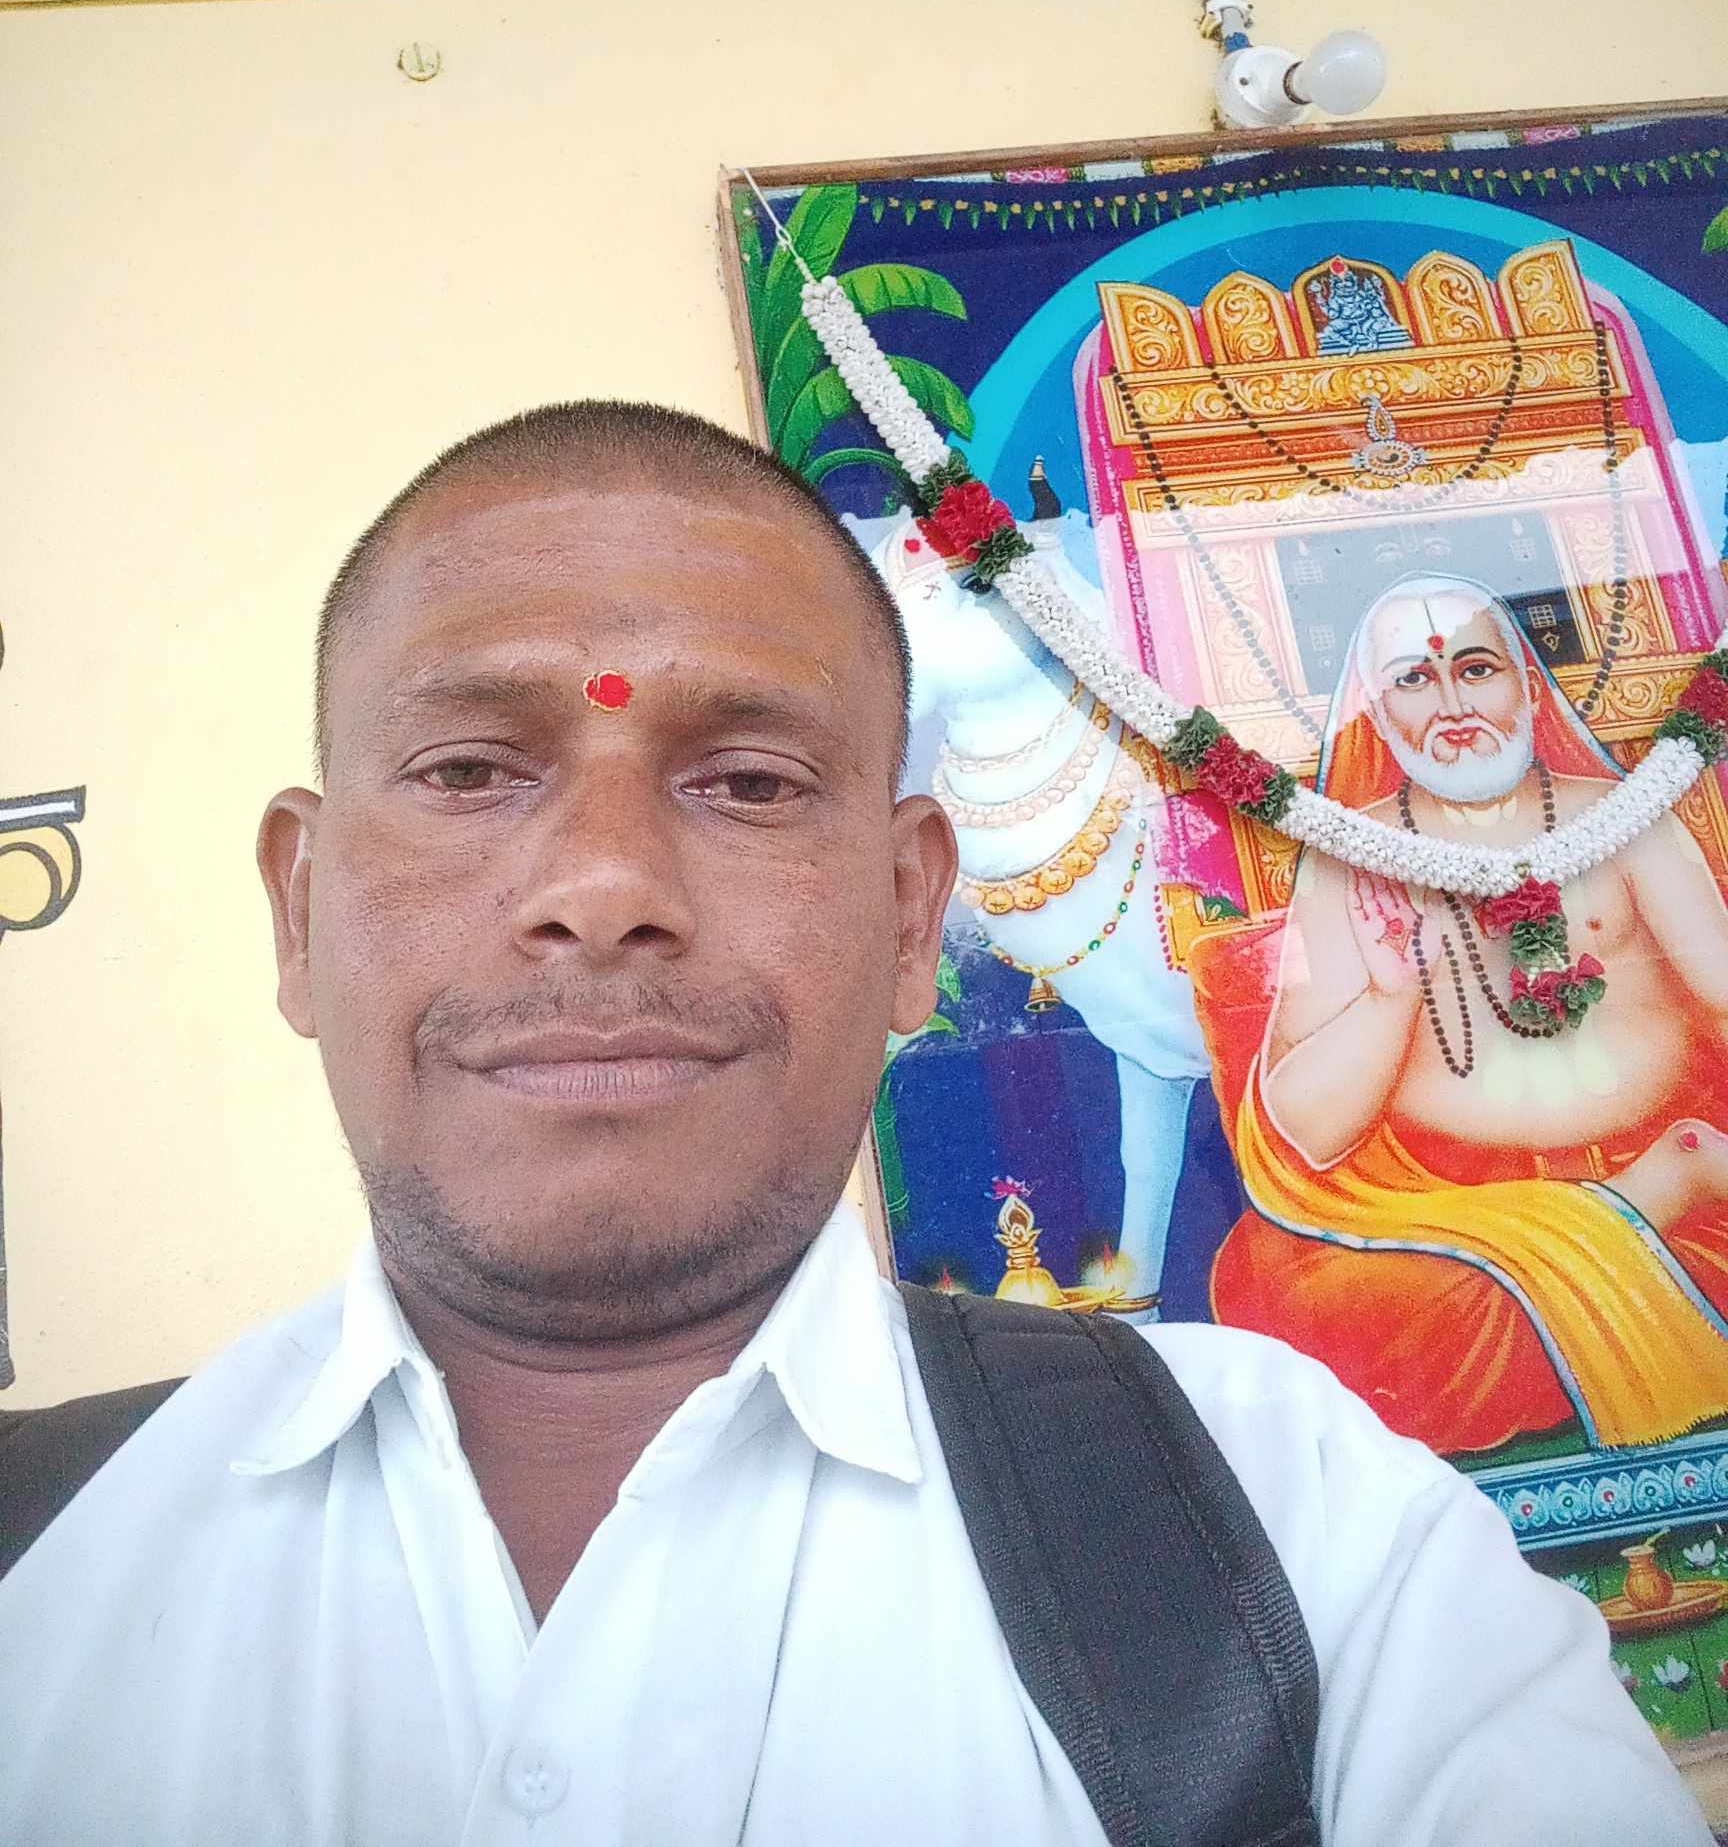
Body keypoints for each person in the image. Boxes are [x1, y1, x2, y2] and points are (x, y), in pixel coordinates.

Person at [0, 414, 1707, 1846]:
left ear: (908, 917)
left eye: (747, 781)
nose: (603, 886)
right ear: (298, 909)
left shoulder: (1299, 1525)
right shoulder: (42, 1564)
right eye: (468, 771)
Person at [1204, 573, 1728, 1455]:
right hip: (1449, 1220)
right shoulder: (1350, 854)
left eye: (1475, 668)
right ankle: (1654, 1192)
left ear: (1530, 689)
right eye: (1414, 679)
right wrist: (1393, 995)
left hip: (1647, 1155)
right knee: (1353, 1323)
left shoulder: (1622, 819)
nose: (1451, 703)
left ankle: (1648, 1188)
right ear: (1377, 715)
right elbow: (1305, 1133)